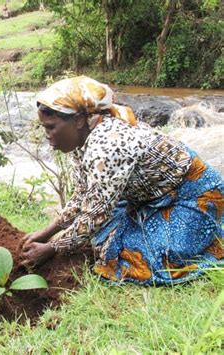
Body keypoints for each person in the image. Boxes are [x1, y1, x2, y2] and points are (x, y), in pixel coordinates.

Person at [21, 76, 223, 285]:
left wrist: (51, 248)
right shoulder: (83, 138)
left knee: (140, 260)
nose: (47, 135)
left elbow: (95, 214)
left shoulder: (108, 145)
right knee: (102, 240)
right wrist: (46, 233)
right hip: (146, 197)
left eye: (51, 127)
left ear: (78, 120)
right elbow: (82, 195)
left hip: (191, 195)